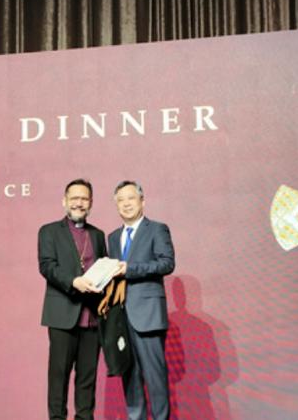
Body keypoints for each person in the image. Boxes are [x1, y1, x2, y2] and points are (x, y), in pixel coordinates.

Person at [38, 178, 108, 420]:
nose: (79, 203)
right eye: (74, 198)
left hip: (92, 319)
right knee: (58, 379)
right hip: (62, 316)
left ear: (91, 203)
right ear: (64, 201)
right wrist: (73, 282)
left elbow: (103, 269)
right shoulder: (49, 231)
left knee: (87, 380)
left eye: (84, 199)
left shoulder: (97, 235)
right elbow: (47, 266)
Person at [108, 180, 175, 420]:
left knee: (155, 378)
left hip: (147, 315)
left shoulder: (157, 229)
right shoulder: (113, 237)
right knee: (130, 378)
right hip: (120, 317)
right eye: (121, 200)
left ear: (142, 201)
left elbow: (166, 263)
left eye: (131, 198)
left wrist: (130, 268)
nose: (126, 204)